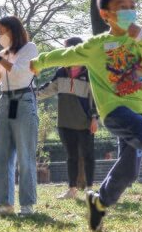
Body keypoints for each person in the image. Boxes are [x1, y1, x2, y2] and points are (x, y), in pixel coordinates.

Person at [30, 0, 142, 232]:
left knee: (130, 168)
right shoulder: (96, 46)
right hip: (115, 112)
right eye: (122, 7)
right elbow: (65, 56)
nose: (129, 11)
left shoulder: (139, 41)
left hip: (137, 112)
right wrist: (38, 62)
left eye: (132, 6)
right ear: (106, 14)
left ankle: (99, 202)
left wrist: (141, 36)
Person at [0, 16, 39, 216]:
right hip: (6, 101)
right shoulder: (3, 53)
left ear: (13, 30)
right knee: (1, 155)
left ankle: (27, 205)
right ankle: (4, 204)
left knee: (25, 154)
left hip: (23, 100)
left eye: (2, 31)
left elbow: (21, 74)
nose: (0, 36)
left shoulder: (29, 49)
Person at [38, 37, 98, 199]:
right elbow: (46, 89)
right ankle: (72, 190)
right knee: (71, 156)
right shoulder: (61, 72)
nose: (63, 55)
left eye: (66, 51)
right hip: (65, 122)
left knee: (88, 156)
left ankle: (89, 190)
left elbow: (96, 98)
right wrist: (27, 96)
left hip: (85, 123)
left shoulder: (89, 72)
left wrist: (95, 118)